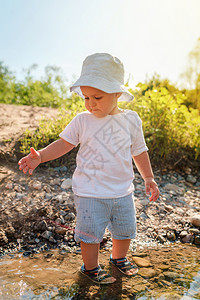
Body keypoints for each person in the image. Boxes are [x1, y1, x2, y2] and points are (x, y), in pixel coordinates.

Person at [18, 53, 159, 284]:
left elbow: (139, 151)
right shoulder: (83, 120)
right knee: (90, 234)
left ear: (116, 94)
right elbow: (64, 143)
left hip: (123, 191)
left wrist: (148, 177)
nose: (91, 103)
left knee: (125, 230)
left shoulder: (131, 120)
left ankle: (118, 259)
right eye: (86, 97)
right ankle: (90, 268)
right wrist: (41, 156)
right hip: (90, 192)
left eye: (97, 97)